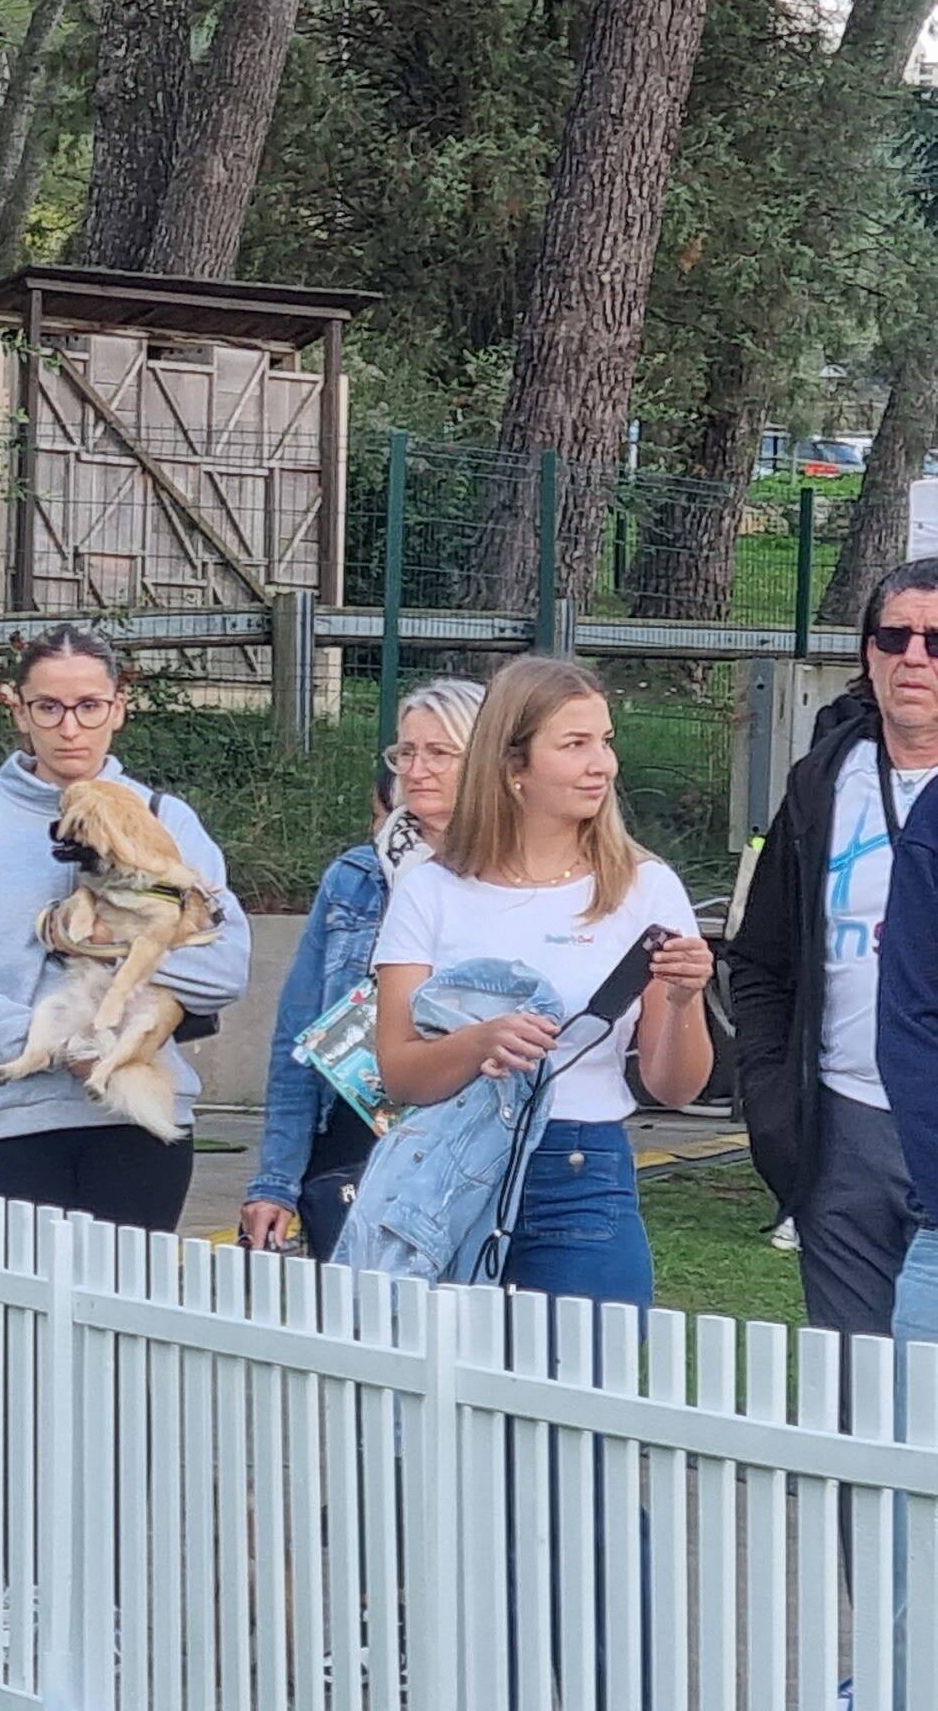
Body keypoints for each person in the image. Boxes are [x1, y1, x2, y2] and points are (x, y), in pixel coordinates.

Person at [369, 655, 713, 1305]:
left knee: (584, 1390)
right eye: (576, 744)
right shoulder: (431, 892)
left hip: (582, 1171)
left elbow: (676, 1085)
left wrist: (684, 996)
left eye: (605, 742)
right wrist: (479, 1044)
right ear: (514, 767)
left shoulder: (645, 887)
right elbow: (400, 1072)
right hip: (447, 1168)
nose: (603, 764)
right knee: (453, 1396)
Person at [0, 625, 251, 1235]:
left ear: (118, 709)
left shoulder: (164, 817)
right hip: (12, 1123)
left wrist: (118, 965)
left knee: (125, 1322)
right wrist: (56, 1048)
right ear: (19, 711)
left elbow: (225, 964)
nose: (70, 727)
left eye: (89, 706)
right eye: (49, 707)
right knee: (19, 1326)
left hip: (136, 1120)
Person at [730, 562, 938, 1336]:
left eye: (936, 641)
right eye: (895, 636)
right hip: (839, 1126)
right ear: (868, 651)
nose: (914, 657)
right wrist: (775, 1103)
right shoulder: (823, 780)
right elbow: (760, 957)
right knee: (850, 1394)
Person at [245, 679, 476, 1265]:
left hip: (465, 1141)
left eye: (440, 752)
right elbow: (298, 1037)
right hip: (350, 1136)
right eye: (405, 753)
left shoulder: (519, 879)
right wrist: (276, 1180)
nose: (416, 769)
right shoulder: (353, 877)